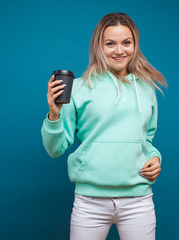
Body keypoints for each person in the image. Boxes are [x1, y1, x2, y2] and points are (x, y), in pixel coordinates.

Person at [41, 12, 167, 240]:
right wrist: (54, 113)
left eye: (126, 43)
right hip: (90, 203)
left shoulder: (147, 89)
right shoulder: (78, 89)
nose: (119, 51)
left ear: (134, 45)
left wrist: (155, 158)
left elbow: (146, 141)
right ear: (99, 46)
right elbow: (54, 149)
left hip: (138, 201)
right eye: (111, 43)